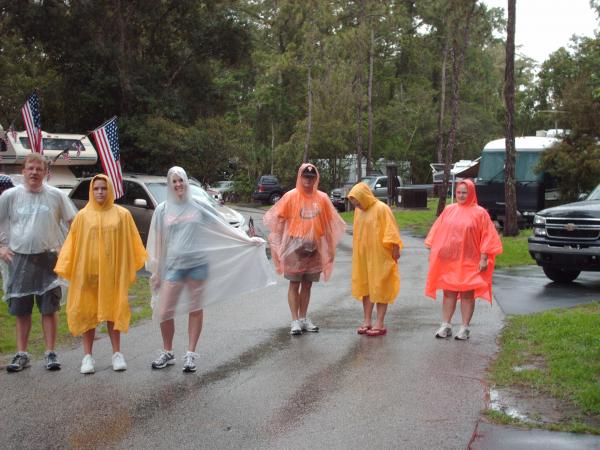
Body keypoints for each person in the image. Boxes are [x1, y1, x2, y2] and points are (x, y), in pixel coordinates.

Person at [146, 166, 275, 372]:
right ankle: (168, 352)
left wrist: (247, 239)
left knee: (195, 308)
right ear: (169, 185)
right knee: (164, 310)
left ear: (186, 182)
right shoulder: (163, 209)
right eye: (174, 181)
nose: (178, 184)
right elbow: (160, 242)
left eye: (181, 180)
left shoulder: (197, 206)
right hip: (173, 267)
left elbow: (221, 226)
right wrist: (157, 271)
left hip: (197, 265)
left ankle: (190, 354)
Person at [54, 174, 146, 374]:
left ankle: (117, 354)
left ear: (110, 190)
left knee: (113, 311)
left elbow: (131, 243)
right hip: (87, 275)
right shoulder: (82, 216)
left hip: (112, 276)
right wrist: (66, 264)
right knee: (88, 313)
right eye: (96, 189)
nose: (100, 192)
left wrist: (126, 267)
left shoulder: (122, 215)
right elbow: (72, 244)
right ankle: (87, 356)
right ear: (91, 191)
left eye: (104, 188)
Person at [0, 153, 77, 372]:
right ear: (23, 171)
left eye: (39, 169)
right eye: (30, 168)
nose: (34, 172)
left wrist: (67, 248)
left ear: (46, 173)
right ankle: (21, 354)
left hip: (49, 259)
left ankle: (50, 353)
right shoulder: (10, 196)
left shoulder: (56, 196)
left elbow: (75, 223)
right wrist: (1, 248)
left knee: (48, 309)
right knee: (21, 309)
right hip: (19, 259)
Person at [263, 163, 346, 335]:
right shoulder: (290, 196)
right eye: (305, 176)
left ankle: (303, 318)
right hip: (294, 245)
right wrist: (279, 243)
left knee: (307, 284)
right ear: (300, 177)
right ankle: (294, 321)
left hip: (315, 246)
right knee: (294, 283)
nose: (308, 180)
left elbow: (329, 224)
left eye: (311, 177)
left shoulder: (322, 198)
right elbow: (278, 219)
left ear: (316, 178)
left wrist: (329, 248)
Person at [425, 179, 502, 340]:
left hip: (470, 261)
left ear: (471, 193)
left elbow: (488, 236)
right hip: (450, 260)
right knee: (448, 292)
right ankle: (446, 324)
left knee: (467, 294)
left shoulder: (480, 213)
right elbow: (438, 230)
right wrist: (433, 248)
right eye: (459, 192)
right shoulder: (449, 210)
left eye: (464, 192)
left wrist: (483, 258)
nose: (461, 195)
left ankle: (465, 327)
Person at [348, 182, 403, 337]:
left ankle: (379, 322)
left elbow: (391, 231)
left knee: (380, 287)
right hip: (364, 256)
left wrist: (395, 249)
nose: (356, 206)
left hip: (380, 255)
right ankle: (367, 320)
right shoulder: (359, 211)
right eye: (354, 203)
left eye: (358, 202)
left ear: (364, 196)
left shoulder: (381, 208)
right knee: (365, 286)